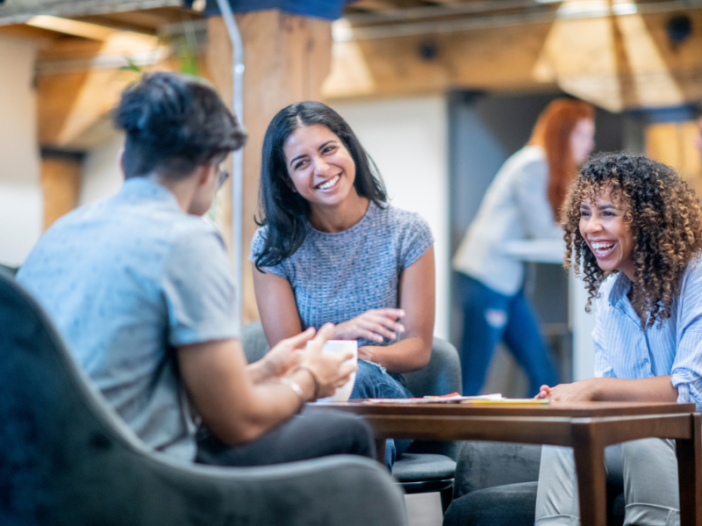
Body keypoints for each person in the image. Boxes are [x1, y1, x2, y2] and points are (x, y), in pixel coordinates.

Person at [17, 73, 375, 468]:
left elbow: (135, 388)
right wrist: (308, 380)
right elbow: (238, 422)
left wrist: (262, 372)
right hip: (135, 479)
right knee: (350, 432)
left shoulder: (60, 232)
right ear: (208, 172)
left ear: (124, 162)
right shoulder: (186, 239)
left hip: (36, 477)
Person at [249, 101, 436, 466]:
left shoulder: (407, 232)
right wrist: (344, 332)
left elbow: (418, 349)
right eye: (301, 163)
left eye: (328, 149)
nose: (321, 168)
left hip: (384, 397)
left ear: (349, 148)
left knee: (358, 377)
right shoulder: (273, 244)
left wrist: (352, 355)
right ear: (287, 181)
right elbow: (287, 355)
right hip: (306, 396)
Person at [534, 153, 702, 526]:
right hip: (641, 438)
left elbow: (691, 393)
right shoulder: (611, 297)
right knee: (567, 433)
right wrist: (570, 400)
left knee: (641, 439)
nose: (591, 227)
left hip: (694, 443)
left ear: (648, 219)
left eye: (607, 213)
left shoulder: (696, 277)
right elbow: (609, 401)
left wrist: (593, 388)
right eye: (584, 213)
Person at [452, 98, 595, 396]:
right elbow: (542, 228)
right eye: (582, 135)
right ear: (562, 134)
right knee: (472, 377)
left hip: (508, 282)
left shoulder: (544, 166)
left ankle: (541, 442)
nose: (589, 144)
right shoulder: (533, 163)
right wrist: (594, 234)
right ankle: (451, 442)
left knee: (544, 373)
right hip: (486, 276)